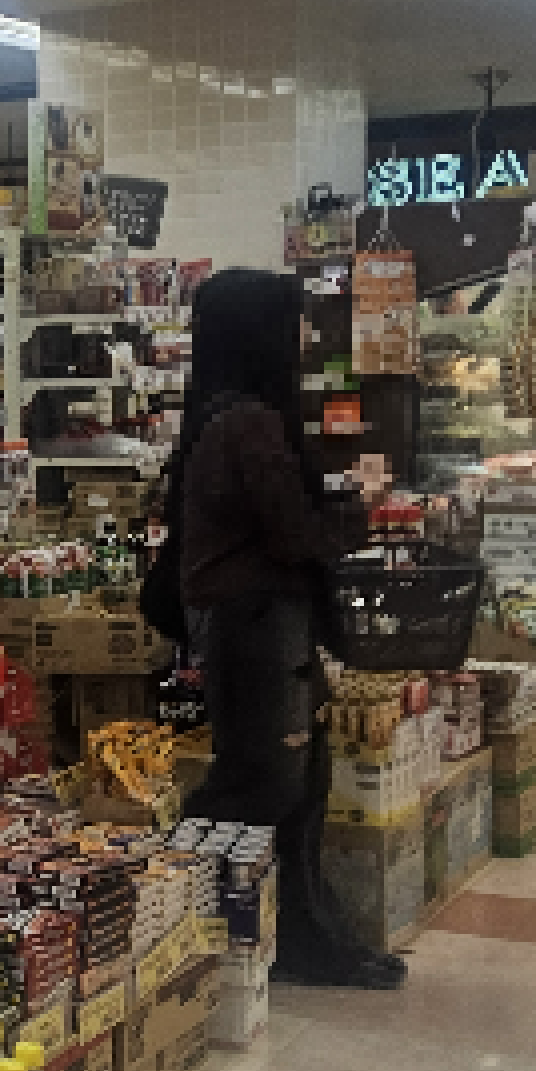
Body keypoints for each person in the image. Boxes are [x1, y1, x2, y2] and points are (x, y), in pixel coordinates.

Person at [159, 268, 401, 988]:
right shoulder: (250, 424)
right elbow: (293, 535)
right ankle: (181, 914)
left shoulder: (224, 414)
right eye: (293, 321)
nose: (303, 335)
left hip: (254, 622)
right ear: (259, 331)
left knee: (291, 781)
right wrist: (364, 504)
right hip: (257, 624)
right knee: (263, 784)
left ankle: (297, 933)